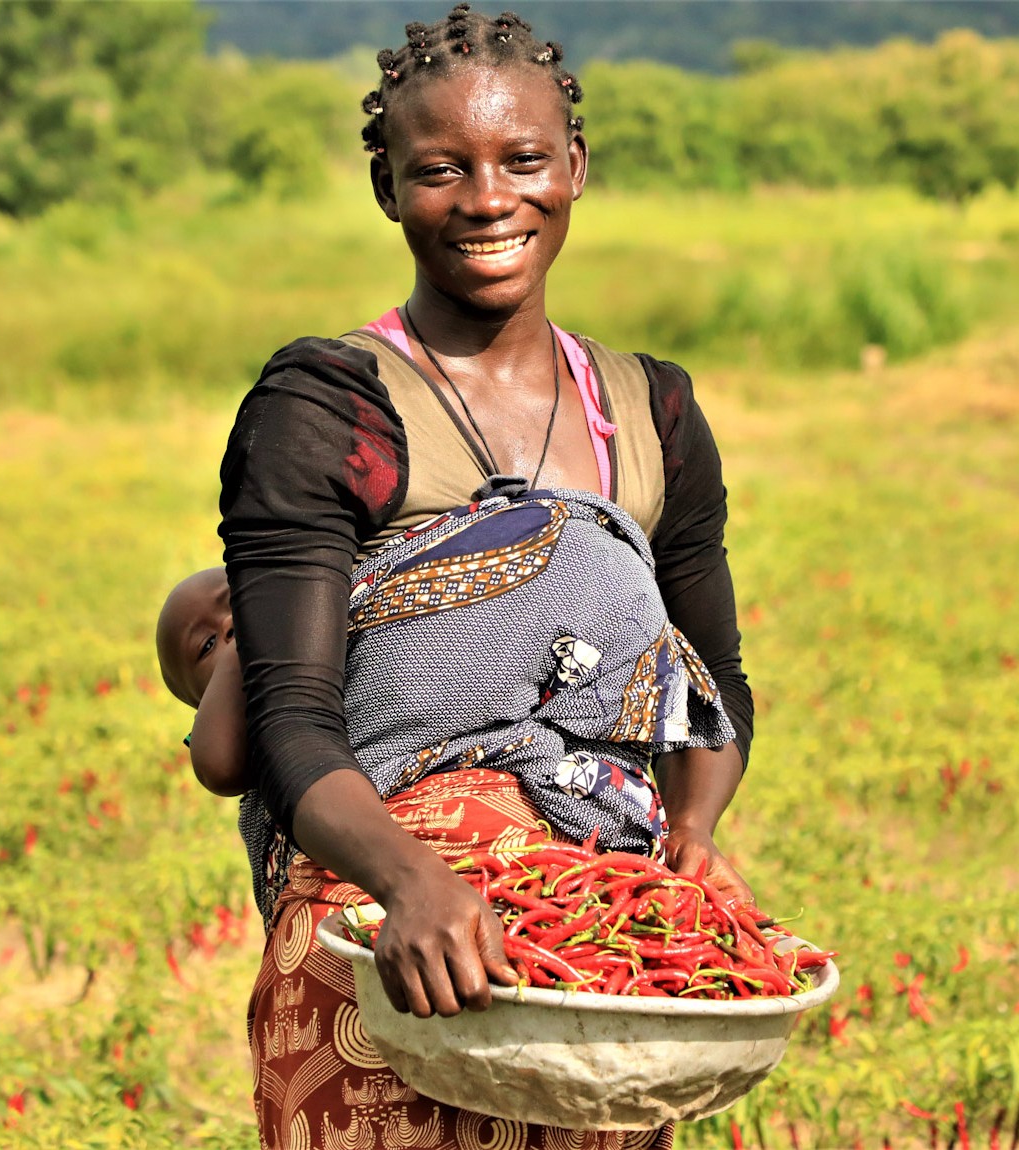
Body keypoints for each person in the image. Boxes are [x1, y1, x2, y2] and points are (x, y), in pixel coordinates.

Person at [214, 6, 755, 1145]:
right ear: (385, 187)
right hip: (382, 931)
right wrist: (410, 880)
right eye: (439, 169)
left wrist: (692, 841)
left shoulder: (651, 414)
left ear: (574, 169)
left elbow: (710, 682)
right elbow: (292, 719)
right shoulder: (329, 410)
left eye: (522, 160)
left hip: (593, 948)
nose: (487, 199)